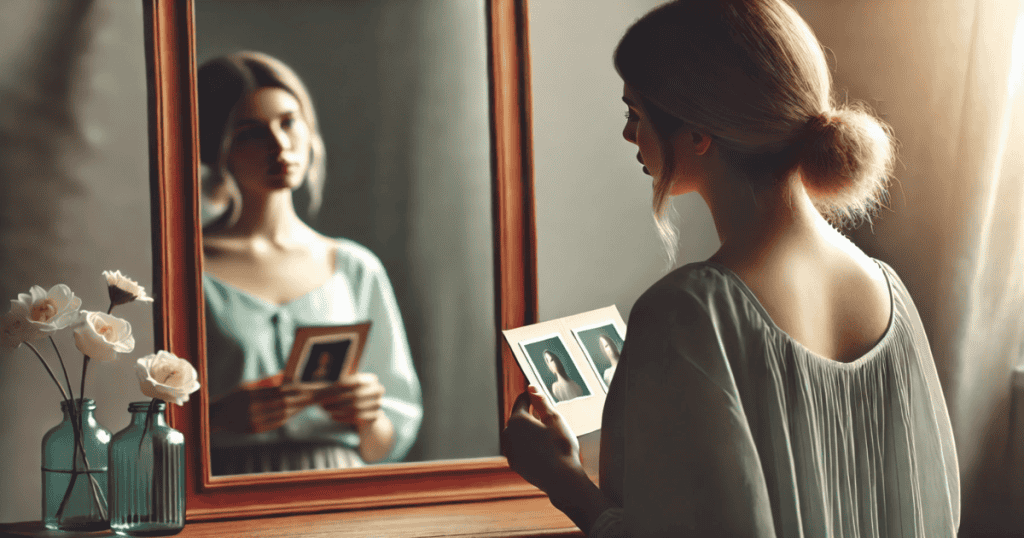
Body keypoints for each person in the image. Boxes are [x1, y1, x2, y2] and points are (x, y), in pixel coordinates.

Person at [501, 1, 960, 536]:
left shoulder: (688, 310)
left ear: (698, 134)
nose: (629, 135)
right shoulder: (889, 294)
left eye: (635, 114)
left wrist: (562, 479)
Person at [197, 51, 422, 475]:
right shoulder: (188, 273)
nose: (279, 146)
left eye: (287, 122)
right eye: (249, 132)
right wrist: (217, 418)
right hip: (227, 492)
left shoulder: (354, 268)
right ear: (215, 147)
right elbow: (144, 415)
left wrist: (368, 413)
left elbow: (386, 445)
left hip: (341, 491)